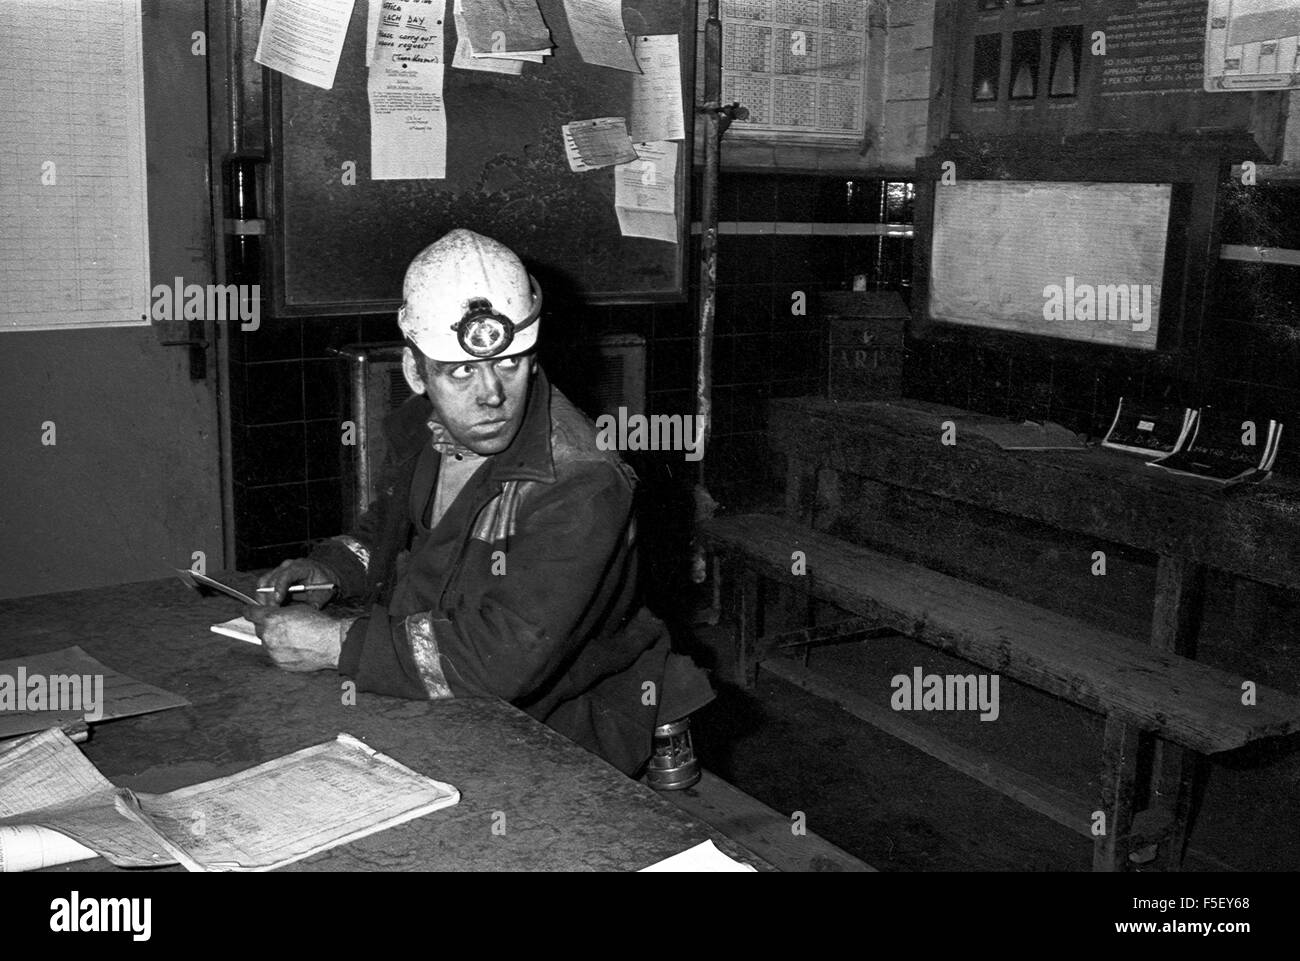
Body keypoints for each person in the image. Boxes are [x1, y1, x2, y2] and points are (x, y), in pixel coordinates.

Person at [247, 228, 711, 776]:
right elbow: (388, 531)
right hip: (447, 683)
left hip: (557, 722)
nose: (491, 395)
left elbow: (505, 657)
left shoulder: (579, 482)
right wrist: (331, 569)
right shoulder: (432, 428)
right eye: (461, 371)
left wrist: (337, 644)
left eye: (510, 363)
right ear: (415, 371)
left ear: (534, 357)